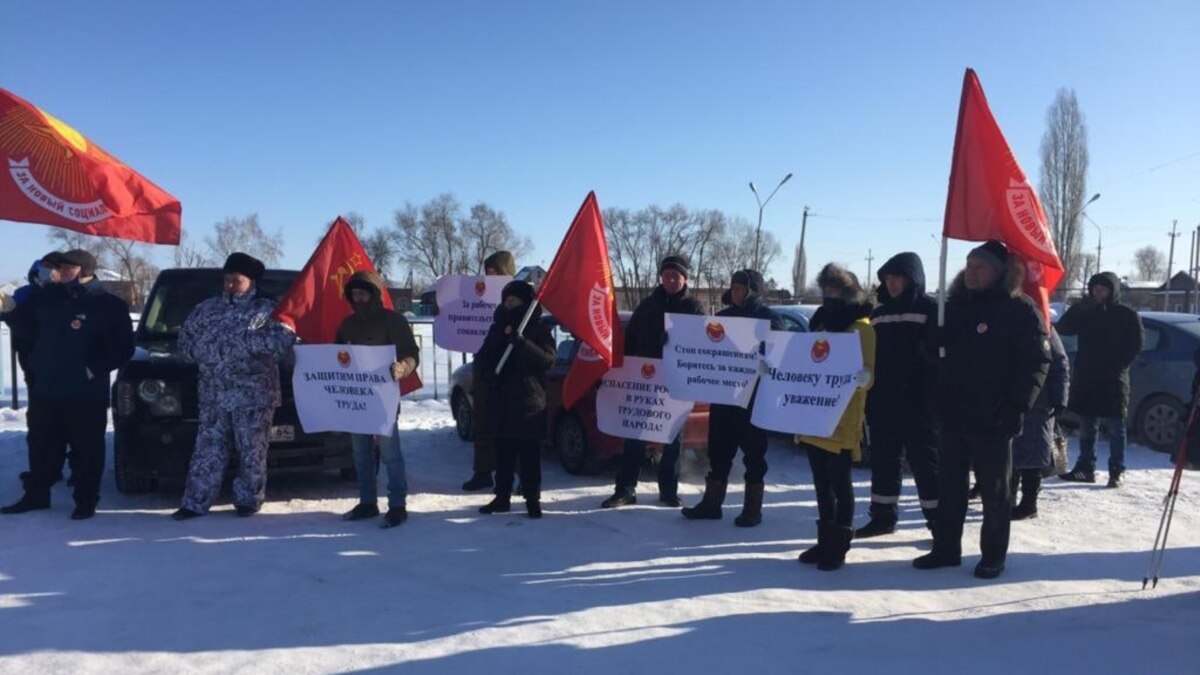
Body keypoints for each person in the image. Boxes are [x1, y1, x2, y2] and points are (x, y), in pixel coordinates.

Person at [914, 241, 1050, 580]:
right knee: (950, 487)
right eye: (969, 264)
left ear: (1000, 272)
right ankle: (946, 548)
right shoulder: (953, 306)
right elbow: (930, 354)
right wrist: (935, 338)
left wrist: (1018, 405)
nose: (971, 272)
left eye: (981, 266)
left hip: (993, 415)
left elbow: (1036, 362)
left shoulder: (1019, 310)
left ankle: (992, 555)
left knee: (995, 491)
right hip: (952, 412)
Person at [1, 249, 134, 520]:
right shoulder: (45, 298)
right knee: (42, 446)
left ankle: (85, 501)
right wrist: (7, 309)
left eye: (65, 268)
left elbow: (123, 348)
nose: (57, 272)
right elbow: (24, 328)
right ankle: (36, 495)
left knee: (87, 450)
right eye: (57, 268)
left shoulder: (108, 305)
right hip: (47, 390)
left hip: (85, 394)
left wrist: (91, 369)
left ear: (83, 270)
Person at [172, 253, 295, 520]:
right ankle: (195, 501)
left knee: (252, 451)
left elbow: (283, 340)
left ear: (251, 282)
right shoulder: (206, 309)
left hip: (253, 396)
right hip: (214, 395)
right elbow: (184, 343)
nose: (229, 285)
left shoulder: (268, 310)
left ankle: (248, 500)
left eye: (236, 280)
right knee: (207, 450)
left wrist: (244, 346)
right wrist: (202, 352)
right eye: (226, 279)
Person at [601, 255, 704, 509]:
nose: (670, 279)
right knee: (634, 435)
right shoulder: (647, 307)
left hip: (676, 384)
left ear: (685, 279)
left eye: (675, 275)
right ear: (661, 277)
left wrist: (677, 345)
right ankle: (625, 489)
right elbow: (630, 343)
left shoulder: (693, 308)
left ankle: (668, 491)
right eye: (666, 274)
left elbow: (702, 346)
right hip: (644, 381)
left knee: (672, 440)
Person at [682, 269, 781, 526]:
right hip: (724, 397)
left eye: (741, 288)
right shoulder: (723, 319)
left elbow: (783, 354)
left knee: (754, 455)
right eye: (734, 288)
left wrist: (766, 361)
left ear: (753, 291)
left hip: (754, 399)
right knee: (718, 452)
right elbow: (699, 347)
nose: (736, 293)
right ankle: (712, 504)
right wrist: (672, 340)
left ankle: (752, 508)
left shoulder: (768, 319)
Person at [795, 264, 875, 571]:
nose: (830, 296)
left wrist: (860, 375)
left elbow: (868, 376)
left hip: (843, 418)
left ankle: (839, 546)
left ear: (848, 292)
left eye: (836, 290)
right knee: (820, 482)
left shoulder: (861, 327)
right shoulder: (819, 321)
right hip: (814, 414)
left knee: (839, 481)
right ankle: (825, 539)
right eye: (826, 290)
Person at [857, 252, 940, 538]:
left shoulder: (931, 309)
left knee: (926, 465)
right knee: (883, 462)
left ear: (912, 279)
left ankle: (938, 522)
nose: (891, 284)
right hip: (883, 402)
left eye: (898, 278)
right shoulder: (877, 315)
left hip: (920, 404)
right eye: (887, 278)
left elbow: (939, 358)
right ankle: (882, 516)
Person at [335, 271, 421, 528]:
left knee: (390, 454)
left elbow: (411, 353)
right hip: (356, 400)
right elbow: (336, 354)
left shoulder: (393, 322)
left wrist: (402, 368)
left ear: (373, 294)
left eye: (363, 293)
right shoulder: (348, 324)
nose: (358, 298)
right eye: (354, 294)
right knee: (360, 454)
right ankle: (367, 501)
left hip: (383, 399)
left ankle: (397, 505)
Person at [473, 280, 556, 519]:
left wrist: (522, 344)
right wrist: (486, 371)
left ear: (525, 302)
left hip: (529, 401)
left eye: (514, 301)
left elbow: (547, 361)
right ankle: (502, 497)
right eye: (506, 301)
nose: (509, 305)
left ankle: (532, 500)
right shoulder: (497, 326)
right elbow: (484, 356)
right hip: (501, 401)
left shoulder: (538, 328)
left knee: (529, 456)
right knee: (503, 454)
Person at [1056, 272, 1144, 488]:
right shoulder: (1087, 312)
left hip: (1114, 379)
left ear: (1112, 291)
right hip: (1087, 377)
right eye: (1094, 289)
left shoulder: (1127, 315)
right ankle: (1085, 468)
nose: (1098, 292)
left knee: (1116, 427)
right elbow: (1063, 329)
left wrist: (1118, 366)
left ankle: (1117, 470)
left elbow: (1136, 345)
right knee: (1087, 425)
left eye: (1102, 289)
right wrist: (1078, 308)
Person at [6, 252, 64, 488]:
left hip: (63, 368)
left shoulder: (66, 294)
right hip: (33, 366)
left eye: (54, 267)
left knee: (65, 423)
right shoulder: (25, 293)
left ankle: (64, 468)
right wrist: (8, 312)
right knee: (40, 425)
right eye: (46, 265)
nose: (48, 270)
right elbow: (20, 324)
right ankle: (41, 471)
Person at [463, 250, 518, 492]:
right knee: (482, 424)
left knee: (509, 430)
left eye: (493, 271)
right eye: (487, 271)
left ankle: (519, 477)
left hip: (507, 373)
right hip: (484, 369)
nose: (489, 275)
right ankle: (483, 471)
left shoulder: (517, 298)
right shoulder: (485, 297)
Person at [1011, 325, 1069, 520]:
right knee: (1011, 454)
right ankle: (1006, 499)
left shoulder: (1045, 329)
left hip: (1040, 403)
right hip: (1013, 399)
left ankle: (1029, 503)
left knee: (1033, 456)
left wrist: (1060, 399)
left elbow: (1060, 364)